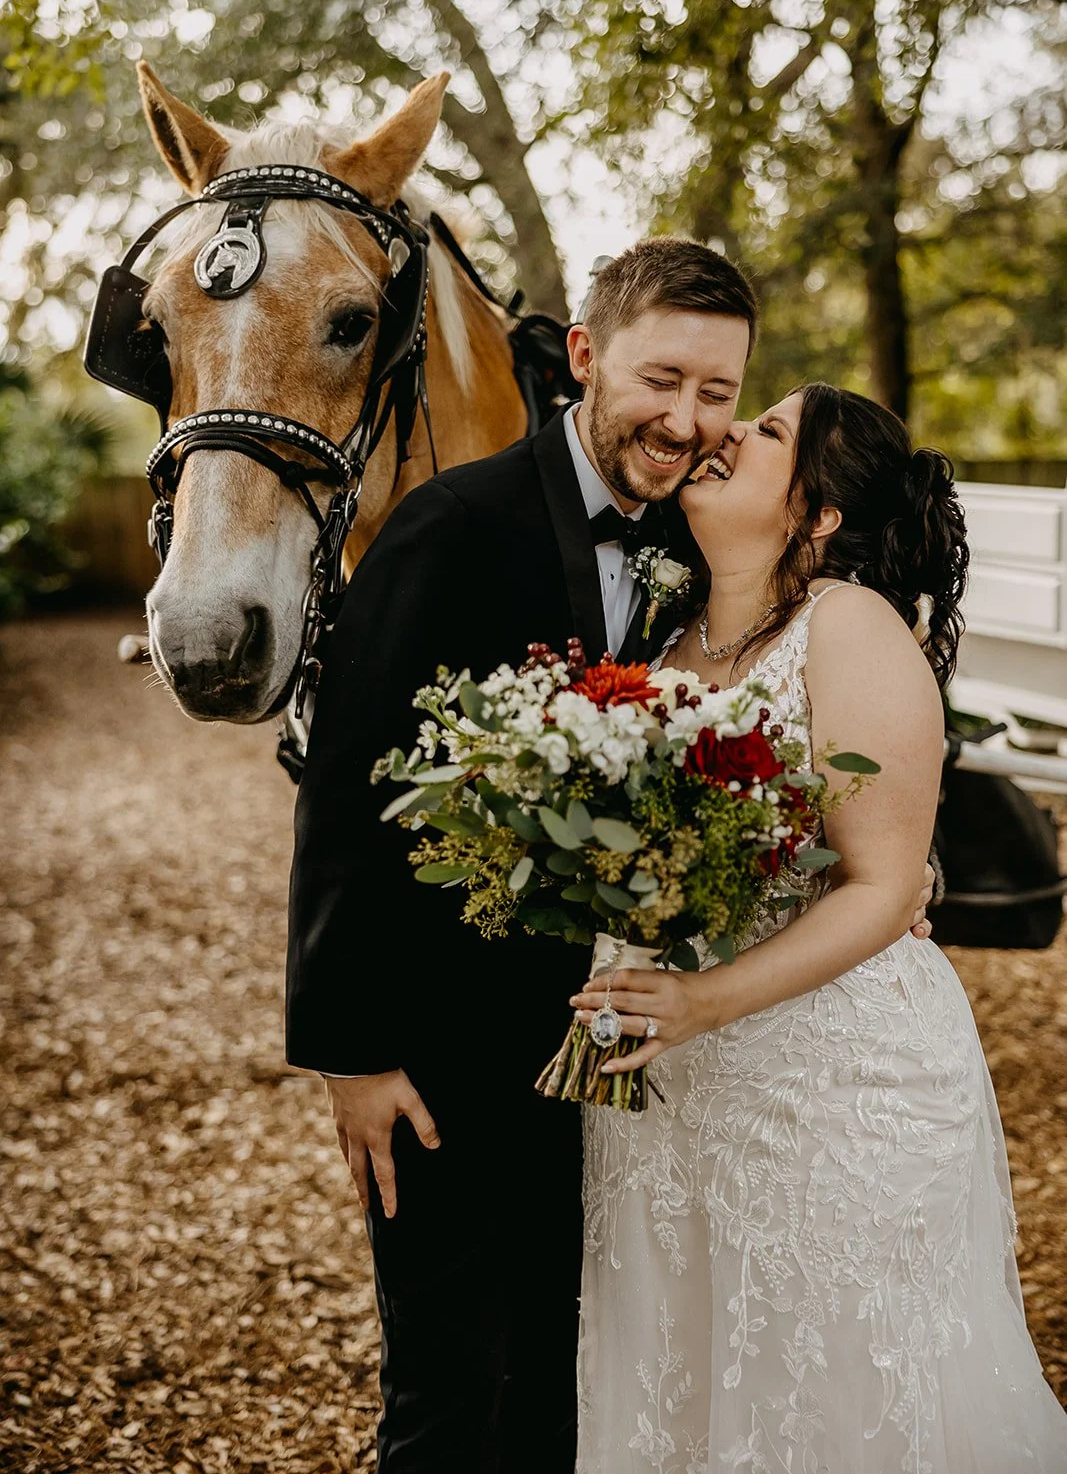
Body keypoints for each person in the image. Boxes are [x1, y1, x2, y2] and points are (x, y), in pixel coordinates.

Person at [285, 243, 933, 1473]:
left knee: (569, 1386)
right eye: (660, 379)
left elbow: (815, 754)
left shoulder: (702, 561)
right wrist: (350, 1052)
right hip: (449, 1058)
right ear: (583, 356)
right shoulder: (452, 525)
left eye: (717, 394)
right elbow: (347, 789)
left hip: (613, 1071)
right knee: (447, 1393)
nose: (686, 421)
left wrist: (895, 876)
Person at [570, 383, 1067, 1473]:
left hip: (828, 1092)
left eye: (767, 432)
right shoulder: (664, 634)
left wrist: (702, 997)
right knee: (689, 1381)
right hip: (669, 1099)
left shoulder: (847, 629)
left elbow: (886, 888)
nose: (726, 434)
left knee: (840, 1387)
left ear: (819, 514)